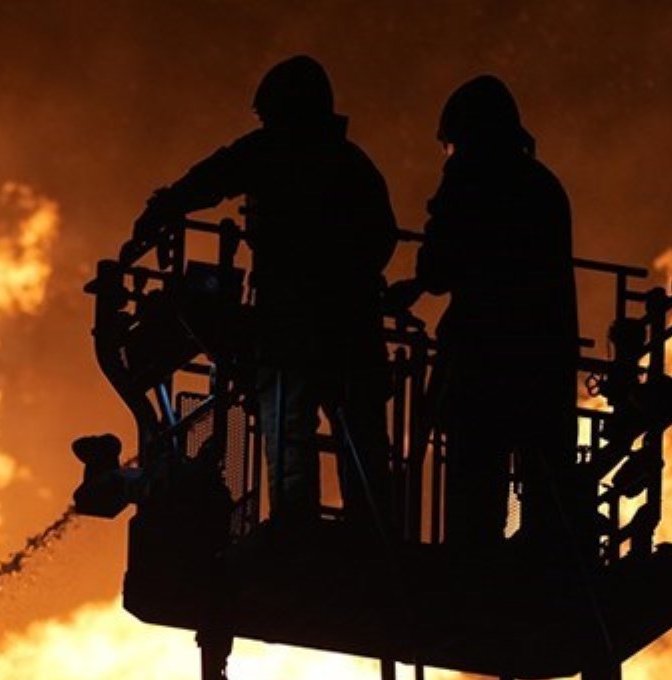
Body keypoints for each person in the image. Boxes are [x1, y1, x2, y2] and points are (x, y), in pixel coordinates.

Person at [129, 55, 397, 533]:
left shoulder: (275, 151)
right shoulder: (354, 165)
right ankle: (373, 530)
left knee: (286, 423)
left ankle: (296, 527)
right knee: (360, 430)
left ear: (285, 112)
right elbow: (382, 239)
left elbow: (215, 175)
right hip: (351, 325)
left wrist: (163, 207)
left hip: (293, 323)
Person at [409, 75, 582, 552]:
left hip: (482, 362)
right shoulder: (544, 186)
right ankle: (542, 559)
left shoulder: (471, 175)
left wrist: (421, 278)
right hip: (544, 363)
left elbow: (439, 266)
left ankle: (473, 567)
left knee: (475, 479)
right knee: (544, 478)